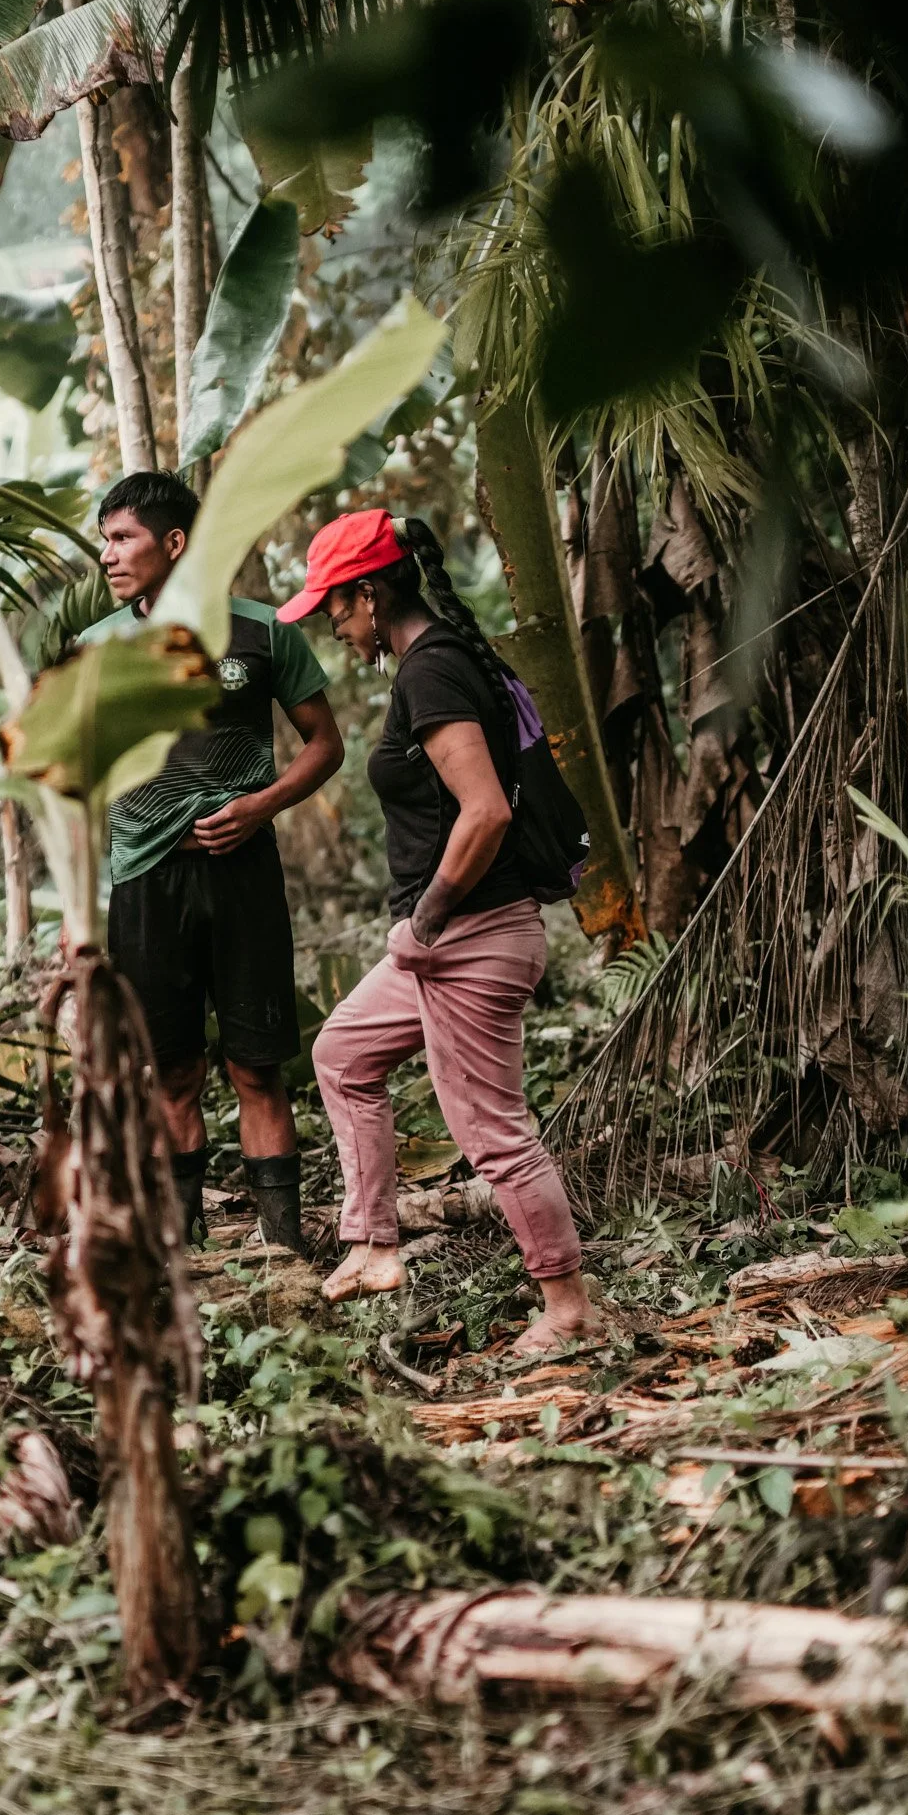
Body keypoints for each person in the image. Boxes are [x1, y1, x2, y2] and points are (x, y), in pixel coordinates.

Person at [277, 508, 598, 1359]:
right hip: (445, 941)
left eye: (334, 608)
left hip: (469, 937)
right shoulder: (436, 662)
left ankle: (569, 1308)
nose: (333, 627)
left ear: (370, 595)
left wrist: (423, 922)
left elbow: (486, 811)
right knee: (342, 1055)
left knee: (491, 1131)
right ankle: (373, 1246)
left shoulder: (433, 673)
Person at [92, 470, 344, 1252]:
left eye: (123, 537)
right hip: (144, 882)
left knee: (256, 1068)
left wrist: (262, 805)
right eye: (104, 540)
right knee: (170, 1072)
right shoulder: (96, 650)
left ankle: (283, 1250)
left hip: (243, 876)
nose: (107, 554)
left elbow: (326, 744)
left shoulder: (264, 632)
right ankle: (183, 1249)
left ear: (175, 542)